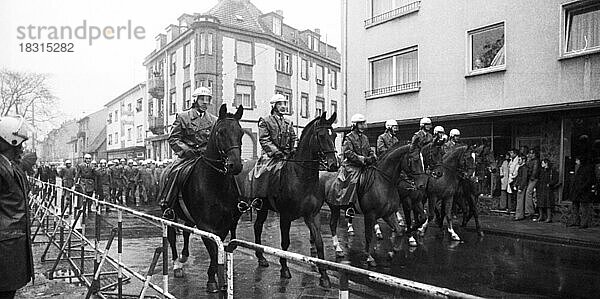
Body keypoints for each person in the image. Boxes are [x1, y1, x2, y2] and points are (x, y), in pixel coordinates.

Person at [159, 86, 218, 218]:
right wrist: (187, 150)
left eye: (207, 99)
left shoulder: (214, 120)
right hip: (188, 156)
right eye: (202, 99)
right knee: (175, 172)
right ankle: (168, 203)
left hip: (206, 156)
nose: (205, 102)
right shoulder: (183, 117)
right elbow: (174, 138)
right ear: (195, 100)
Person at [0, 115, 35, 299]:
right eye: (18, 144)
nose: (21, 149)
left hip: (10, 249)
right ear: (8, 141)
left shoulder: (9, 166)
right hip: (4, 251)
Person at [338, 113, 376, 219]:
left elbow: (368, 150)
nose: (363, 126)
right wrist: (361, 159)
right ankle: (350, 206)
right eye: (361, 124)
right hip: (352, 165)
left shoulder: (365, 138)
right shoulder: (348, 137)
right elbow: (348, 152)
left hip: (364, 165)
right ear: (355, 125)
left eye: (364, 123)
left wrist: (372, 156)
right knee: (354, 181)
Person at [567, 156, 596, 229]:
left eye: (577, 160)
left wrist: (583, 187)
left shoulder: (588, 168)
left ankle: (584, 223)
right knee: (575, 206)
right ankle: (575, 221)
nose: (576, 161)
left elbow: (590, 180)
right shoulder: (579, 168)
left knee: (584, 207)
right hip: (577, 190)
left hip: (584, 191)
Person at [536, 158, 559, 222]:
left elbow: (555, 179)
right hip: (541, 188)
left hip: (548, 189)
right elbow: (538, 178)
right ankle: (541, 216)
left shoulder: (552, 171)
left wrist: (550, 184)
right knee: (540, 202)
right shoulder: (541, 170)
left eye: (543, 163)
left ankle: (549, 217)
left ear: (546, 163)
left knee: (548, 203)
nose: (541, 164)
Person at [513, 154, 529, 221]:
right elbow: (519, 177)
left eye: (519, 160)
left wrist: (521, 187)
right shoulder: (521, 167)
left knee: (520, 200)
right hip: (520, 185)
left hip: (522, 185)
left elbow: (524, 178)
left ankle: (519, 215)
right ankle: (519, 214)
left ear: (524, 160)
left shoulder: (524, 168)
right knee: (519, 200)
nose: (518, 161)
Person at [525, 149, 540, 219]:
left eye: (532, 153)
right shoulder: (530, 160)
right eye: (530, 153)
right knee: (530, 193)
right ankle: (529, 209)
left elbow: (535, 170)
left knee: (529, 192)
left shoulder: (536, 161)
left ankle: (530, 210)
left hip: (533, 178)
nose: (531, 155)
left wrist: (532, 177)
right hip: (530, 178)